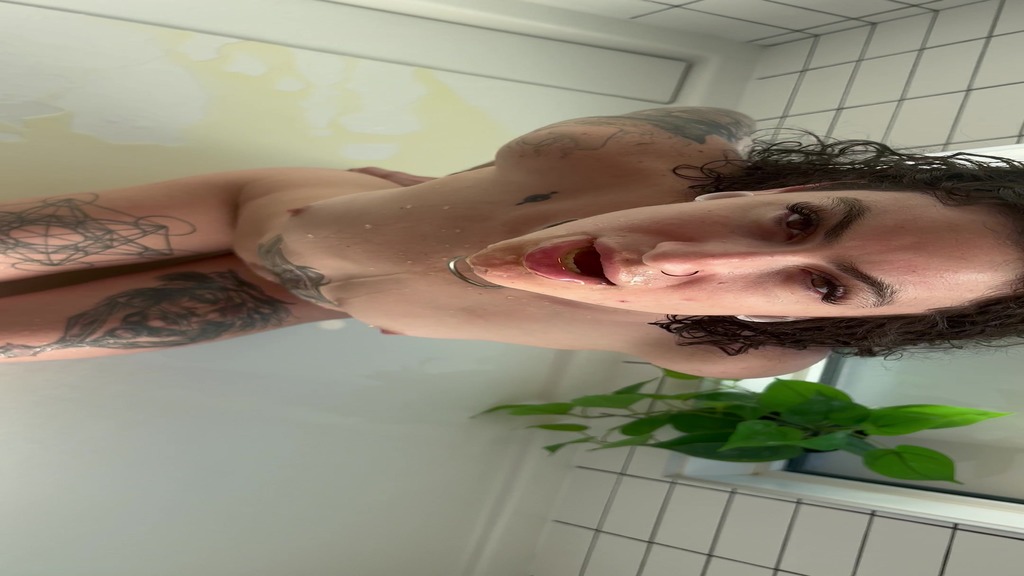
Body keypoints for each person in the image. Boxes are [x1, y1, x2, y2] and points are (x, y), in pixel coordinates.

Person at [2, 106, 1023, 378]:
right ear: (798, 181)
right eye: (796, 221)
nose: (659, 268)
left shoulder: (741, 349)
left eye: (825, 287)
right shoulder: (636, 149)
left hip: (297, 298)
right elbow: (723, 120)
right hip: (258, 212)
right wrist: (442, 199)